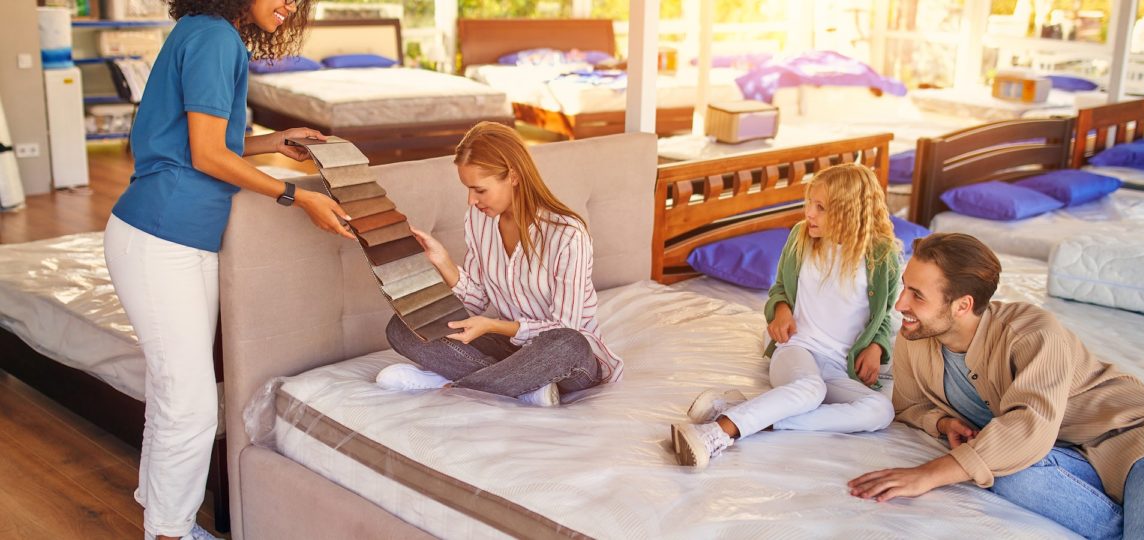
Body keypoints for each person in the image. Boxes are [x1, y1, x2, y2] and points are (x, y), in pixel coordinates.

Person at [104, 1, 353, 538]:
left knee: (173, 391)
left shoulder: (205, 32)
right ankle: (168, 531)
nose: (289, 5)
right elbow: (206, 156)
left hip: (174, 235)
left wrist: (276, 144)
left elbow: (206, 139)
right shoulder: (216, 39)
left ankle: (159, 511)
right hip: (160, 236)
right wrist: (296, 196)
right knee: (191, 404)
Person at [848, 233, 1144, 539]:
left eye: (916, 295)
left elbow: (1029, 426)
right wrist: (941, 423)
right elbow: (909, 406)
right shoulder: (916, 337)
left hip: (1141, 441)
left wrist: (929, 475)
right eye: (904, 288)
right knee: (1000, 472)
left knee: (985, 462)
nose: (900, 305)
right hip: (1062, 454)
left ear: (962, 306)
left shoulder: (1033, 333)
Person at [376, 121, 621, 406]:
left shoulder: (567, 234)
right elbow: (477, 300)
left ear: (514, 177)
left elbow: (565, 326)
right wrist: (442, 261)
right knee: (403, 326)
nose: (471, 200)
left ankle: (447, 383)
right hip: (511, 351)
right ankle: (522, 386)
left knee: (567, 343)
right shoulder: (479, 220)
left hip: (567, 362)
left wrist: (493, 326)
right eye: (468, 190)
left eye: (480, 190)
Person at [672, 163, 901, 468]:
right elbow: (780, 288)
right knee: (810, 390)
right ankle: (716, 433)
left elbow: (885, 314)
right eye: (810, 203)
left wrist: (877, 346)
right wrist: (781, 311)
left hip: (838, 367)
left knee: (881, 410)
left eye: (821, 208)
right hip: (796, 348)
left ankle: (751, 413)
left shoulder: (882, 255)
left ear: (849, 212)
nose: (809, 213)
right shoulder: (801, 238)